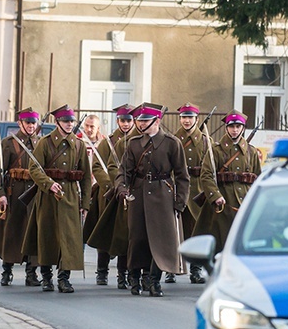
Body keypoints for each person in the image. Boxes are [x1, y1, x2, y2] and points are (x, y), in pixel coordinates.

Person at [114, 102, 190, 297]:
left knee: (161, 240)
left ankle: (155, 281)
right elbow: (123, 171)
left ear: (157, 121)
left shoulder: (172, 143)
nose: (140, 125)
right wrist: (122, 188)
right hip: (138, 194)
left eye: (145, 121)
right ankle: (134, 277)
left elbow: (182, 176)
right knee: (137, 237)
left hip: (162, 194)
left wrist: (179, 202)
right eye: (139, 121)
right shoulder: (133, 143)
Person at [22, 104, 90, 293]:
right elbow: (34, 168)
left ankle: (64, 278)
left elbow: (85, 176)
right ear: (57, 122)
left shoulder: (79, 144)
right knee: (47, 236)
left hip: (70, 195)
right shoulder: (45, 142)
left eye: (71, 121)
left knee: (69, 239)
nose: (69, 124)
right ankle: (46, 277)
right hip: (48, 196)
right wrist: (48, 183)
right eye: (65, 121)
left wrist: (85, 203)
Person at [0, 107, 43, 286]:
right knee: (11, 232)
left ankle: (31, 273)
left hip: (34, 192)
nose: (31, 126)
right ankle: (7, 270)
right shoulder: (8, 143)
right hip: (14, 192)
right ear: (20, 123)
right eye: (28, 123)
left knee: (33, 232)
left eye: (34, 123)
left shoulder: (41, 143)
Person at [193, 110, 261, 253]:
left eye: (238, 126)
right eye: (231, 126)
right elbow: (206, 175)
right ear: (226, 128)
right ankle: (199, 267)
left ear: (243, 128)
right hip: (222, 201)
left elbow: (257, 177)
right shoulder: (216, 150)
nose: (235, 130)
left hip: (243, 201)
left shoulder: (251, 152)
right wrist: (215, 196)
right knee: (215, 237)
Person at [86, 104, 136, 290]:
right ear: (117, 121)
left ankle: (123, 274)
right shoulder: (108, 142)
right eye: (122, 120)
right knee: (105, 231)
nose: (125, 124)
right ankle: (102, 271)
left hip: (127, 194)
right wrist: (110, 186)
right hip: (107, 195)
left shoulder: (137, 140)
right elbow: (98, 167)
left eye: (129, 120)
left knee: (126, 234)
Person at [173, 102, 210, 284]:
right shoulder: (172, 139)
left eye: (190, 117)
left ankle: (195, 269)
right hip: (178, 187)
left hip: (197, 188)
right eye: (184, 117)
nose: (186, 121)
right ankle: (171, 268)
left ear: (196, 119)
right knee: (174, 230)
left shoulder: (205, 140)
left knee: (196, 230)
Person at [80, 114, 115, 286]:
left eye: (92, 126)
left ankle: (109, 271)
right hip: (82, 187)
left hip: (101, 188)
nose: (89, 129)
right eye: (87, 125)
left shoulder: (105, 143)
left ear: (98, 128)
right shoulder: (78, 141)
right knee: (82, 227)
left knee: (104, 227)